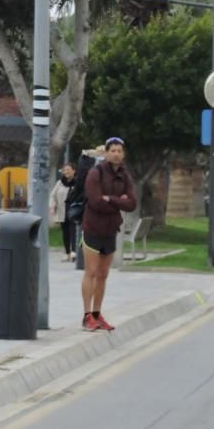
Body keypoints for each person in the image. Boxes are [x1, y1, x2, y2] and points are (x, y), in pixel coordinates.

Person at [80, 136, 136, 332]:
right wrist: (118, 201)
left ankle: (97, 313)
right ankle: (87, 316)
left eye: (119, 151)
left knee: (103, 274)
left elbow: (132, 203)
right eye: (112, 150)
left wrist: (110, 199)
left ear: (123, 154)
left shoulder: (125, 175)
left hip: (111, 229)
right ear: (106, 153)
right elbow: (95, 201)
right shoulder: (95, 173)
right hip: (93, 227)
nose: (116, 154)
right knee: (91, 272)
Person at [50, 162, 77, 261]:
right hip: (63, 211)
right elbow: (53, 195)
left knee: (73, 231)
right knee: (65, 233)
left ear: (74, 171)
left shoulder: (78, 182)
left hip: (74, 211)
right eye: (64, 170)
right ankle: (67, 252)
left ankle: (74, 252)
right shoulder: (60, 183)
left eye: (68, 170)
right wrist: (52, 206)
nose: (66, 172)